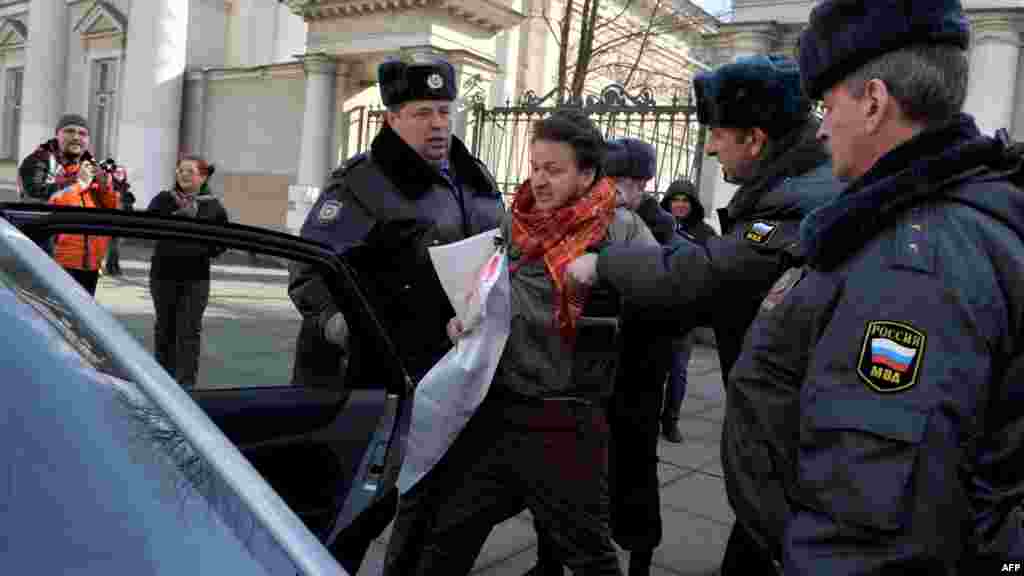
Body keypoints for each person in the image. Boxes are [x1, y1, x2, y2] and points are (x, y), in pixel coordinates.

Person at [713, 1, 1024, 572]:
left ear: (875, 102)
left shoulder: (915, 266)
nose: (823, 127)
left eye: (829, 106)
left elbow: (867, 531)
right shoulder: (911, 222)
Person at [563, 54, 843, 573]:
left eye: (717, 133)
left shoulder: (793, 205)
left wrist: (603, 263)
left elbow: (699, 275)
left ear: (755, 139)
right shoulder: (796, 188)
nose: (710, 146)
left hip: (799, 453)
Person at [412, 109, 655, 576]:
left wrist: (605, 269)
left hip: (566, 417)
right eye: (535, 167)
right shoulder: (516, 220)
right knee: (446, 539)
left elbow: (661, 292)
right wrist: (464, 320)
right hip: (498, 406)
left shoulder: (620, 228)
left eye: (554, 170)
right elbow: (488, 290)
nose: (539, 181)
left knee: (588, 555)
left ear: (587, 174)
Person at [287, 56, 504, 573]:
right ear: (392, 118)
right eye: (423, 112)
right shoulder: (363, 184)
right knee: (357, 510)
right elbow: (310, 272)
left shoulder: (473, 177)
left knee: (430, 505)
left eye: (444, 111)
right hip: (380, 377)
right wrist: (348, 331)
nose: (437, 124)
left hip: (452, 373)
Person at [526, 136, 676, 576]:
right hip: (582, 372)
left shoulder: (660, 228)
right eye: (618, 180)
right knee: (563, 477)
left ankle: (639, 562)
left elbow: (668, 296)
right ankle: (549, 559)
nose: (628, 190)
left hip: (635, 376)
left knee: (634, 476)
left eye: (637, 181)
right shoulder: (579, 220)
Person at [146, 156, 229, 389]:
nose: (183, 175)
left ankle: (186, 385)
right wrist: (174, 220)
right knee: (164, 327)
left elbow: (221, 243)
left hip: (196, 277)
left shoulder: (213, 207)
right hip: (163, 274)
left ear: (202, 177)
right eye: (181, 170)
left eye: (190, 171)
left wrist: (200, 248)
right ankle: (161, 382)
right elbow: (146, 228)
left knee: (189, 330)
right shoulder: (163, 200)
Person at [19, 114, 120, 295]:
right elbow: (34, 198)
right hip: (50, 262)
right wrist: (77, 183)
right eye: (69, 131)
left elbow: (111, 212)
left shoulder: (91, 166)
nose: (76, 137)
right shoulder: (38, 161)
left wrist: (106, 187)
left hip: (88, 265)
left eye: (82, 133)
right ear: (57, 134)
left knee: (80, 322)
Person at [657, 179, 717, 443]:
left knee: (678, 369)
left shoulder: (705, 233)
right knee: (653, 367)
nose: (680, 205)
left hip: (685, 314)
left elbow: (712, 271)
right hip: (655, 309)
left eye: (685, 200)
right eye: (675, 199)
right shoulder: (656, 227)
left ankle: (671, 420)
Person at [103, 163, 134, 276]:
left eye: (121, 173)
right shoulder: (109, 187)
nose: (119, 175)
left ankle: (113, 266)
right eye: (117, 173)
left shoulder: (126, 189)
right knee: (112, 245)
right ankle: (111, 267)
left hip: (121, 221)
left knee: (116, 246)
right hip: (110, 221)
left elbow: (129, 207)